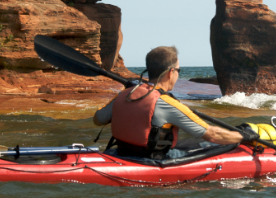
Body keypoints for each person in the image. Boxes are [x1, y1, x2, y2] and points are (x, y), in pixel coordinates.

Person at [93, 46, 257, 159]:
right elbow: (212, 134)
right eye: (178, 71)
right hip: (152, 160)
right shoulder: (166, 103)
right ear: (171, 73)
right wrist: (243, 136)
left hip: (121, 153)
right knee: (210, 144)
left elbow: (98, 119)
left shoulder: (124, 94)